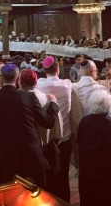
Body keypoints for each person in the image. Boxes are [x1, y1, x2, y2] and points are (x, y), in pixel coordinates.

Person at [0, 64, 59, 187]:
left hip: (4, 161)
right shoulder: (28, 97)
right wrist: (53, 104)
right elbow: (47, 122)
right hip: (30, 158)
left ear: (1, 79)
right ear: (17, 80)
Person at [36, 56, 73, 201]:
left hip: (47, 140)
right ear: (58, 69)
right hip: (64, 138)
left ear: (44, 70)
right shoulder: (66, 84)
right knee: (63, 175)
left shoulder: (39, 85)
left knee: (49, 177)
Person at [77, 89, 111, 206]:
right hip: (106, 175)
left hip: (86, 172)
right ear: (109, 105)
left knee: (88, 201)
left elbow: (79, 144)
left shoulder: (84, 121)